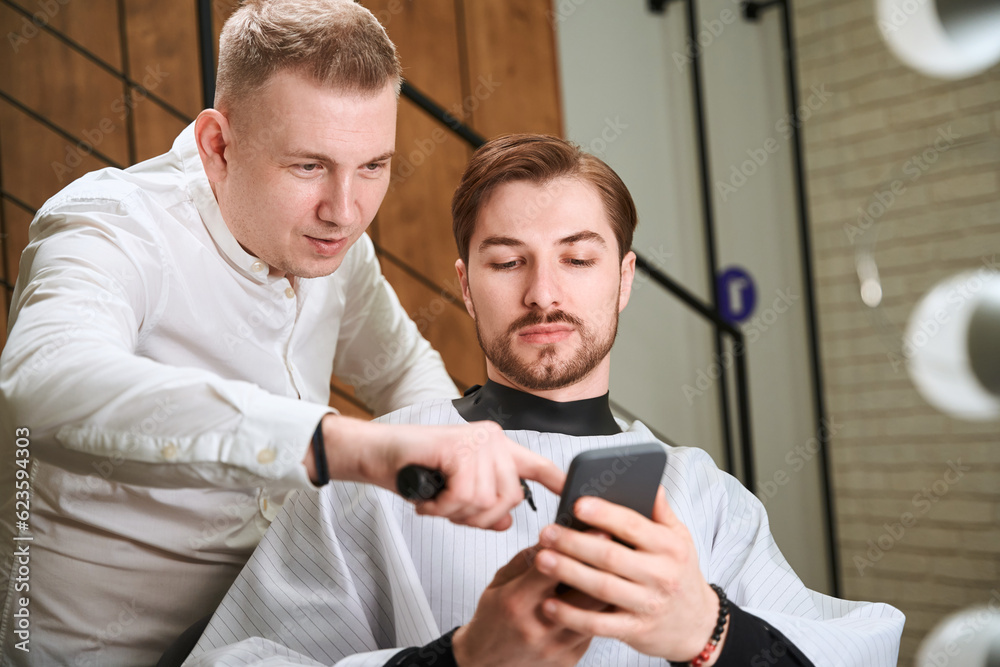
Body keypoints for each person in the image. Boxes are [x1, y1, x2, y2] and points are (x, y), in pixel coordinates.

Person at [184, 134, 905, 666]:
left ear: (623, 280)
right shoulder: (374, 473)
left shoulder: (707, 495)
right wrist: (462, 661)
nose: (544, 293)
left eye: (578, 257)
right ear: (466, 286)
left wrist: (711, 630)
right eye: (507, 261)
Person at [0, 3, 562, 665]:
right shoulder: (110, 224)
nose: (346, 210)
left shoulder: (335, 243)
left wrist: (472, 472)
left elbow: (403, 371)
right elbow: (40, 385)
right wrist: (338, 445)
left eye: (374, 166)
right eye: (307, 167)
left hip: (272, 639)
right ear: (218, 145)